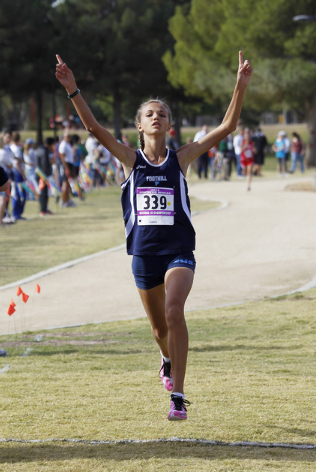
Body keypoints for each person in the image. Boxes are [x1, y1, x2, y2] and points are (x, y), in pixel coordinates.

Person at [56, 50, 252, 421]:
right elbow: (95, 129)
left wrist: (239, 87)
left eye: (162, 113)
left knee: (175, 311)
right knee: (158, 327)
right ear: (140, 126)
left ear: (169, 125)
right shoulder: (131, 160)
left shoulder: (182, 158)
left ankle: (178, 395)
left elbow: (226, 127)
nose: (157, 117)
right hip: (144, 254)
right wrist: (73, 90)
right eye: (150, 114)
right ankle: (164, 358)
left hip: (178, 251)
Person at [36, 137, 55, 216]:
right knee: (43, 192)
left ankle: (45, 208)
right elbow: (44, 164)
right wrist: (45, 176)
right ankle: (43, 210)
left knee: (44, 192)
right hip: (43, 175)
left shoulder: (39, 149)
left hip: (39, 174)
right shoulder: (45, 151)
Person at [58, 132, 77, 207]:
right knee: (65, 184)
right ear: (64, 137)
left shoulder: (68, 144)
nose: (69, 138)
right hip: (66, 165)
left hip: (70, 164)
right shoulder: (63, 145)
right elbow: (62, 157)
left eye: (70, 137)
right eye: (67, 137)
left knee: (68, 184)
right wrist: (66, 168)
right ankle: (63, 200)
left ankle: (67, 200)